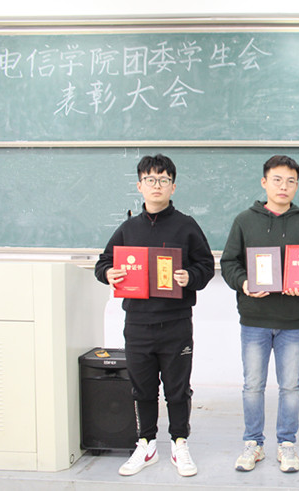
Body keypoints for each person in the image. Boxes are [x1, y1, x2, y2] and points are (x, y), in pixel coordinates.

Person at [94, 154, 215, 477]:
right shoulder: (128, 229)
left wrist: (190, 276)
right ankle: (146, 444)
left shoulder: (186, 226)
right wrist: (109, 274)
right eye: (150, 179)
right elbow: (103, 263)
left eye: (163, 180)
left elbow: (205, 266)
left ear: (173, 186)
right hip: (137, 324)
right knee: (142, 388)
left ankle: (179, 443)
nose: (156, 185)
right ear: (140, 186)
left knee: (177, 388)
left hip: (175, 323)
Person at [220, 155, 299, 474]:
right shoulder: (244, 220)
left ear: (297, 185)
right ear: (264, 182)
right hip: (254, 318)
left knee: (290, 386)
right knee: (253, 385)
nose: (284, 186)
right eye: (277, 180)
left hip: (292, 320)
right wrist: (244, 283)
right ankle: (253, 443)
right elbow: (229, 263)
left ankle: (287, 444)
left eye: (291, 181)